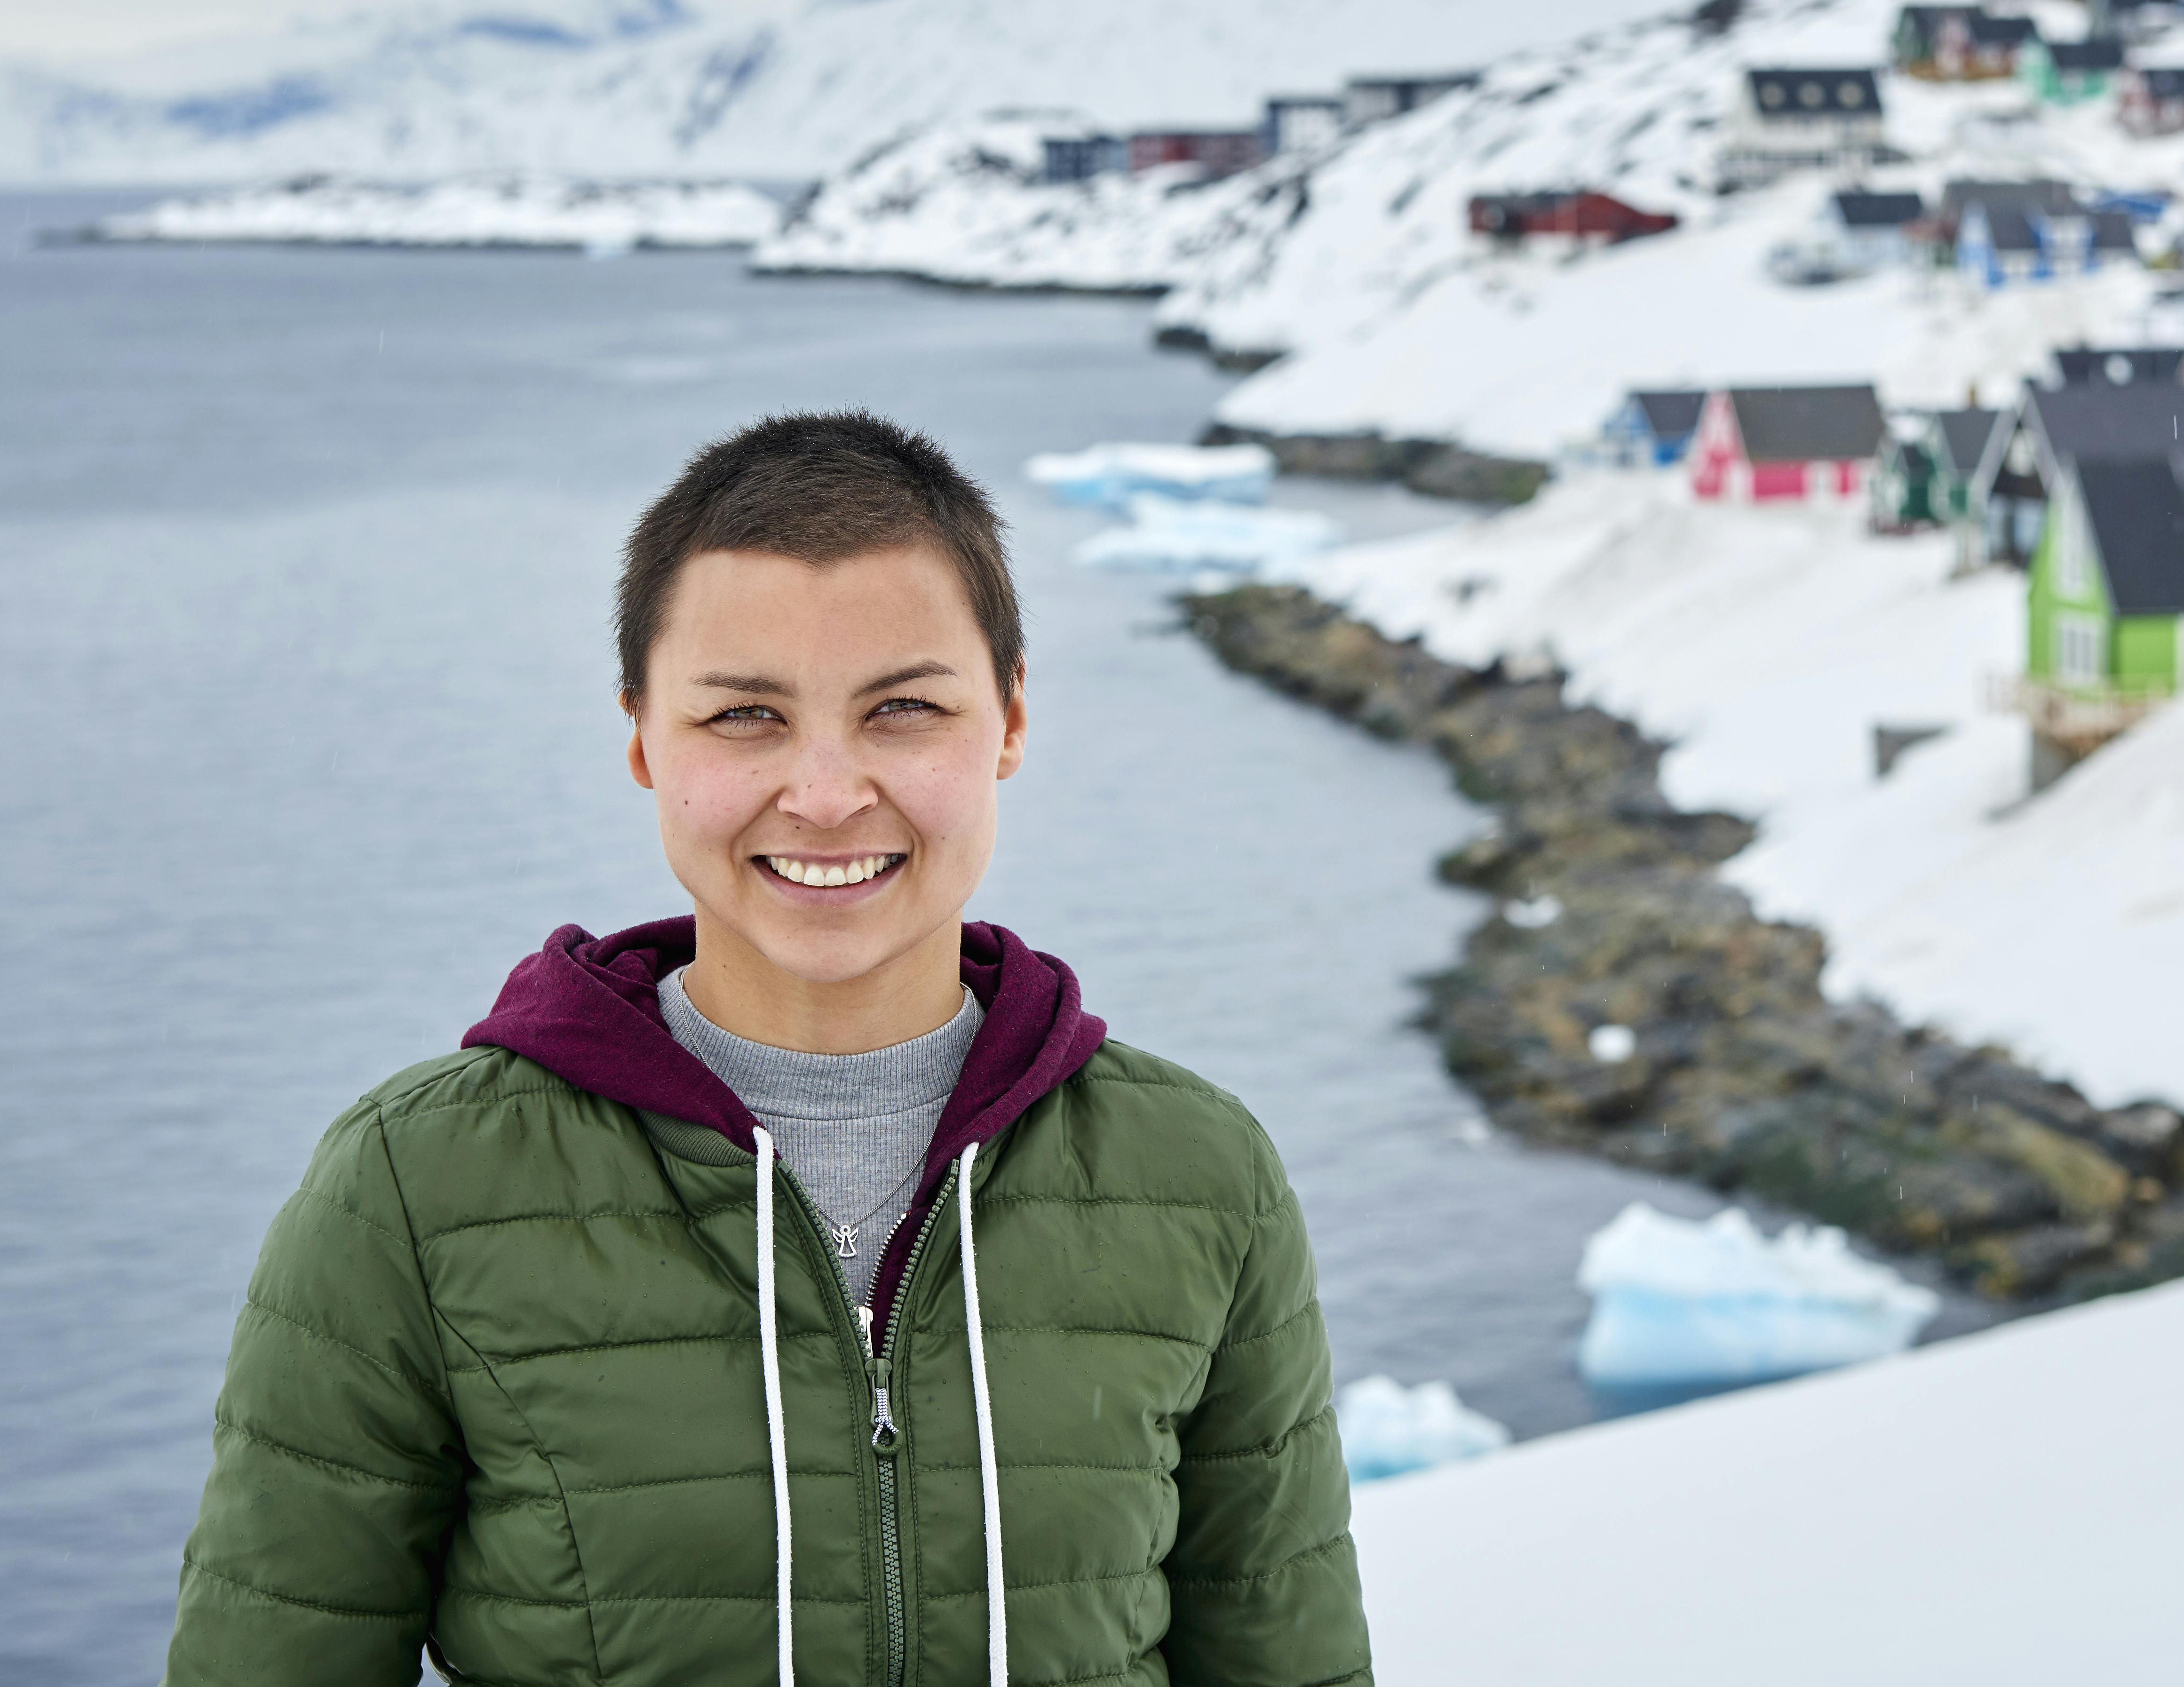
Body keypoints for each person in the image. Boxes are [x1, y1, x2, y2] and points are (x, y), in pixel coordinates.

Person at [164, 412, 1370, 1686]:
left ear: (1007, 723)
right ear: (643, 738)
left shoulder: (1198, 1174)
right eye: (744, 716)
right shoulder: (414, 1189)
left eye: (902, 707)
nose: (826, 792)